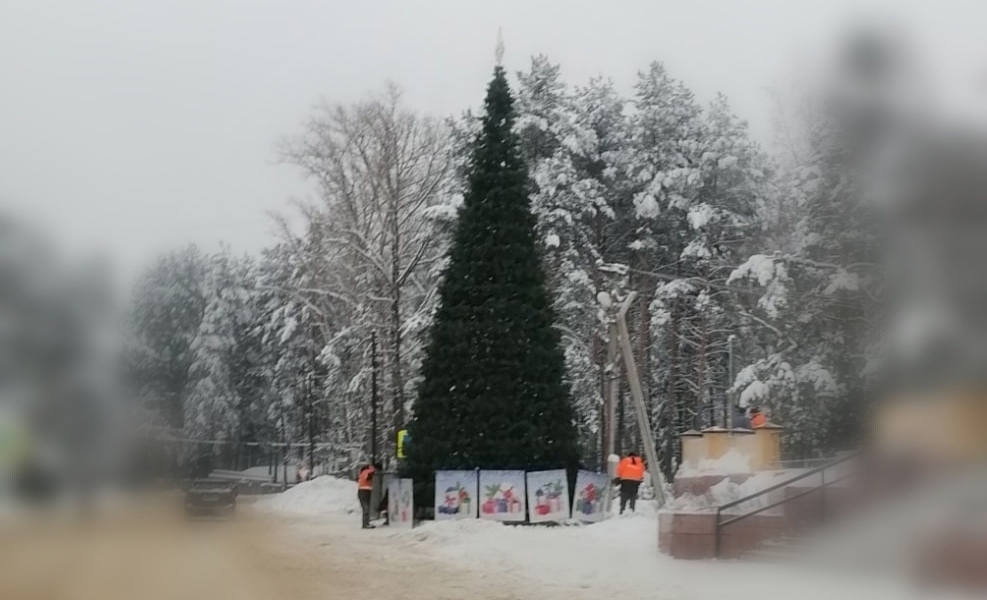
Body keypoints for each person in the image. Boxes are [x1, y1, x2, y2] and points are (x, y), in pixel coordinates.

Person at [357, 462, 378, 529]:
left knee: (366, 508)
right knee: (366, 508)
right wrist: (373, 470)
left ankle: (366, 523)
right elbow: (368, 477)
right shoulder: (367, 471)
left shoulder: (362, 472)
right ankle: (365, 524)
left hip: (362, 491)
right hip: (364, 491)